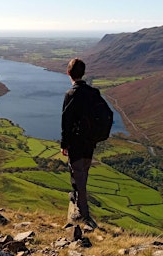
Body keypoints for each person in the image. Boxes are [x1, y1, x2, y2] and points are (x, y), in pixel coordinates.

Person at [60, 58, 98, 229]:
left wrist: (64, 144)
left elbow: (66, 122)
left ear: (69, 73)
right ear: (83, 73)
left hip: (76, 144)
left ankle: (83, 214)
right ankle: (78, 202)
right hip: (89, 143)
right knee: (82, 174)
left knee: (78, 176)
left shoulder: (71, 94)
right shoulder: (93, 93)